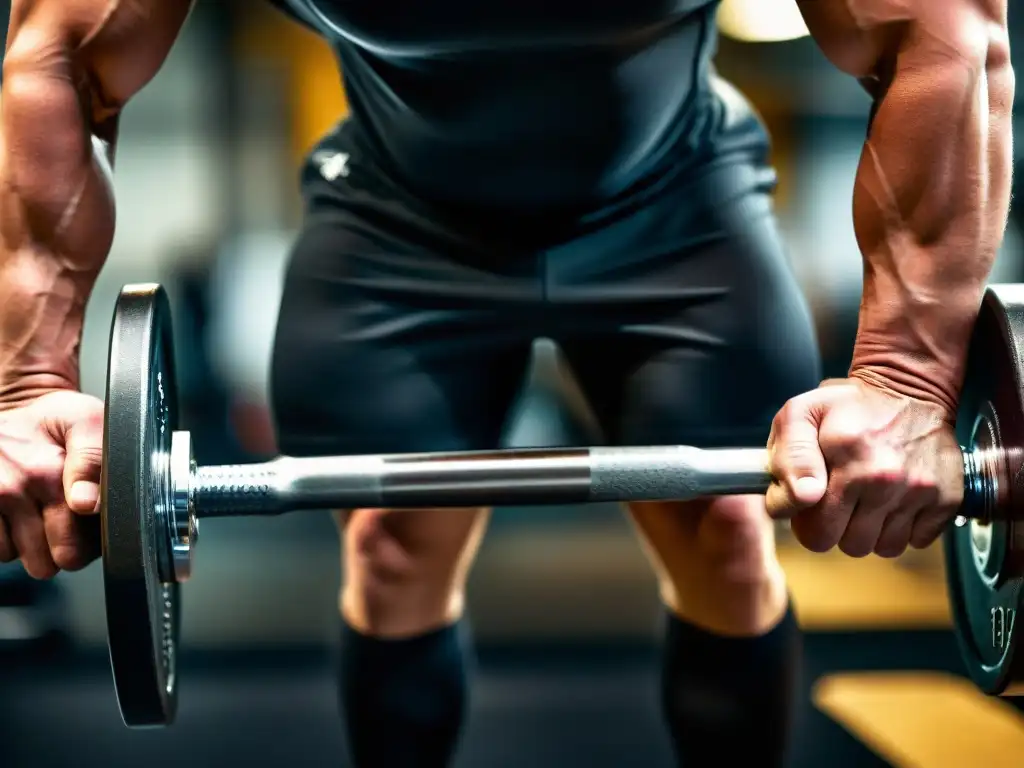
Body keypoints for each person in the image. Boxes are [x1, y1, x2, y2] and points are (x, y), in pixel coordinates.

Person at [0, 0, 1012, 765]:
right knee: (393, 554)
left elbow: (938, 35)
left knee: (728, 538)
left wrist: (906, 377)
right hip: (397, 223)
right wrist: (29, 385)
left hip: (675, 207)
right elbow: (61, 60)